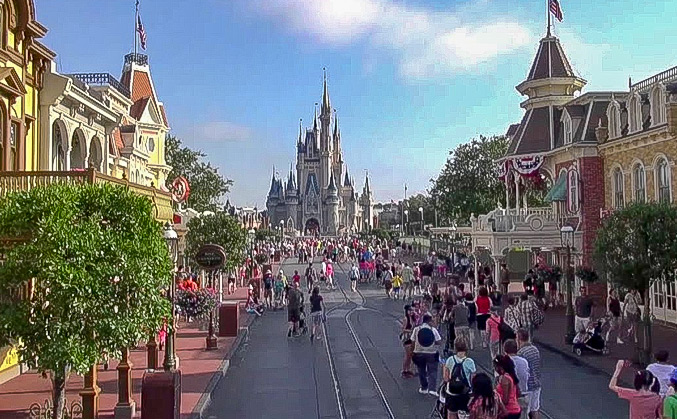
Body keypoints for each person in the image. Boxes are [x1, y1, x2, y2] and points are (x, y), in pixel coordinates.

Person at [444, 339, 477, 418]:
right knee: (465, 414)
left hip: (451, 391)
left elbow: (446, 378)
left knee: (451, 414)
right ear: (466, 347)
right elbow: (473, 379)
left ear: (455, 348)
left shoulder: (449, 360)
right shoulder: (470, 362)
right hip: (465, 392)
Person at [411, 313, 442, 396]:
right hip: (431, 353)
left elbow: (413, 341)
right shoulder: (433, 330)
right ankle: (432, 389)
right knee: (433, 370)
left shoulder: (416, 329)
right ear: (429, 321)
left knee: (421, 370)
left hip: (419, 352)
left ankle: (424, 387)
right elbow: (439, 341)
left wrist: (413, 352)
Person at [517, 329, 541, 419]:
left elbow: (521, 372)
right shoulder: (535, 349)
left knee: (525, 412)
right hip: (537, 384)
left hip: (527, 387)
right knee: (535, 409)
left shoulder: (521, 353)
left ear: (519, 339)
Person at [504, 339, 530, 418]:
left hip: (511, 400)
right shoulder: (524, 361)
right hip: (523, 394)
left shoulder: (504, 363)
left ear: (505, 350)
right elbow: (527, 376)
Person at [494, 355, 521, 419]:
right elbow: (518, 393)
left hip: (509, 410)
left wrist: (500, 411)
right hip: (515, 409)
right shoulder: (511, 376)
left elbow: (505, 400)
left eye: (495, 366)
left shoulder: (505, 379)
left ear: (500, 367)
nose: (495, 369)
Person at [401, 305, 416, 378]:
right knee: (407, 355)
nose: (412, 312)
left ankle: (408, 369)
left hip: (412, 338)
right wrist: (411, 331)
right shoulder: (406, 319)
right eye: (410, 310)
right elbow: (403, 329)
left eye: (412, 310)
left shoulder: (412, 318)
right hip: (407, 338)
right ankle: (404, 370)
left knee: (411, 355)